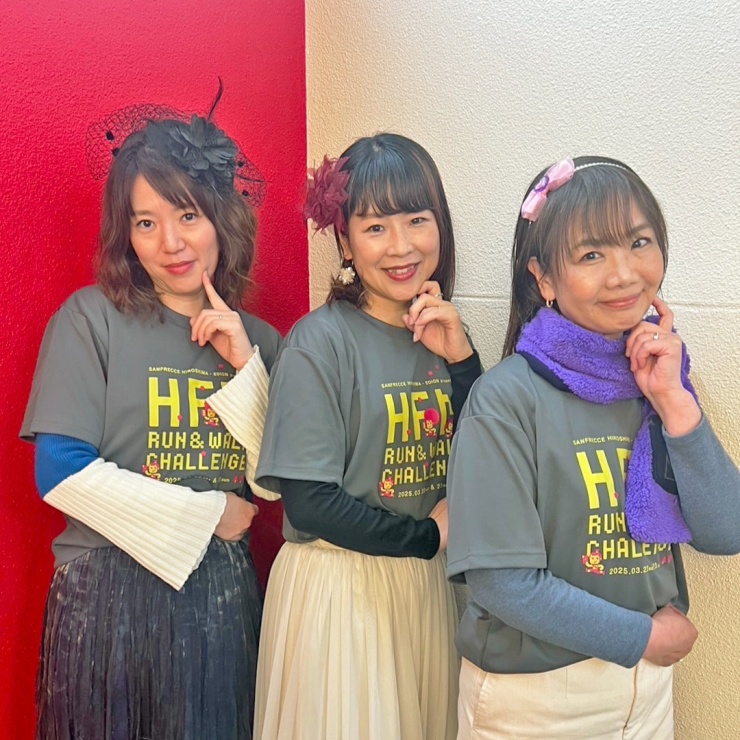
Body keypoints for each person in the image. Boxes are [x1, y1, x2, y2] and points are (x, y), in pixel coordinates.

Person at [447, 155, 740, 739]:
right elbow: (501, 582)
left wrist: (676, 404)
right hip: (536, 699)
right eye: (591, 255)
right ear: (544, 279)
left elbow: (725, 531)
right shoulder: (506, 399)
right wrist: (643, 636)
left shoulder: (658, 378)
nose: (624, 274)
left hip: (647, 693)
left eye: (639, 242)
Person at [21, 113, 281, 740]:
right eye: (146, 222)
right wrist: (209, 512)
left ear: (222, 217)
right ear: (127, 235)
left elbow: (274, 485)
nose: (170, 243)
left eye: (188, 215)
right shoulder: (90, 320)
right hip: (103, 596)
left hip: (220, 601)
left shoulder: (263, 341)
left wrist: (246, 367)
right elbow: (59, 472)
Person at [253, 133, 482, 740]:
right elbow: (310, 502)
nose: (402, 246)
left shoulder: (440, 334)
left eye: (417, 220)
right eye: (376, 227)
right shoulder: (318, 341)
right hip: (340, 593)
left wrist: (462, 361)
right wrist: (427, 536)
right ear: (345, 240)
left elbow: (486, 461)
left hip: (422, 588)